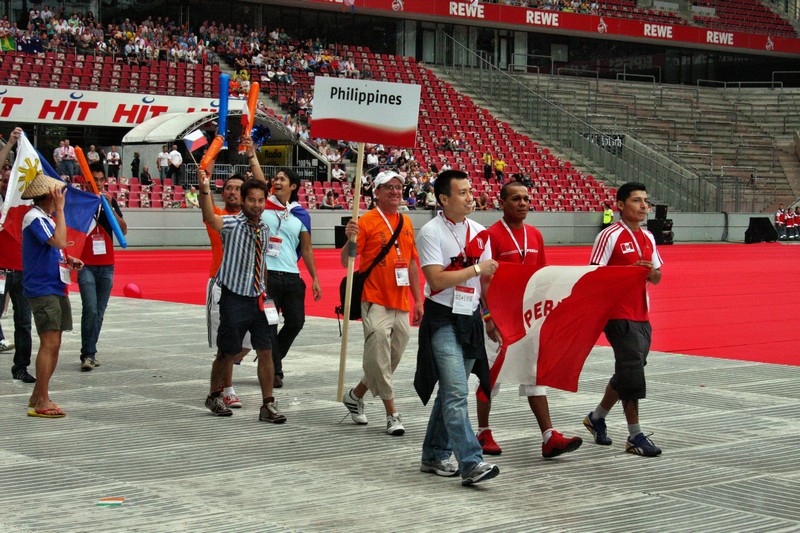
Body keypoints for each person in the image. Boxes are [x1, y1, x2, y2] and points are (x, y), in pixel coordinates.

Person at [476, 182, 583, 458]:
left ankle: (549, 437)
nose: (523, 203)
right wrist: (488, 317)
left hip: (526, 317)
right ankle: (483, 432)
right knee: (491, 377)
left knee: (535, 374)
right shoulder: (491, 236)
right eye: (516, 199)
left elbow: (542, 276)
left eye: (526, 198)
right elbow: (483, 280)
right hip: (498, 318)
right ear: (502, 203)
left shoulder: (535, 235)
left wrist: (545, 312)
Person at [414, 169, 501, 486]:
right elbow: (436, 279)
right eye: (462, 193)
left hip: (470, 318)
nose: (469, 197)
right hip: (442, 318)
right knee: (456, 392)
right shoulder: (430, 232)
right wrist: (476, 268)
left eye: (470, 191)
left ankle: (434, 454)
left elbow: (486, 283)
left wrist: (490, 316)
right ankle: (471, 462)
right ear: (443, 198)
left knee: (451, 392)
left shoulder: (479, 232)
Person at [583, 182, 664, 457]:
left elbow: (657, 276)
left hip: (642, 312)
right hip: (617, 313)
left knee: (630, 370)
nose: (644, 206)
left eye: (646, 201)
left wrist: (650, 273)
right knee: (632, 372)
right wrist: (628, 271)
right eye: (637, 200)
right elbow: (594, 275)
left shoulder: (648, 237)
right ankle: (634, 435)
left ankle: (597, 417)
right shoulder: (609, 235)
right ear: (620, 205)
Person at [340, 170, 423, 436]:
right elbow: (346, 260)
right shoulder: (365, 221)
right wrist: (349, 239)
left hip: (401, 301)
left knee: (390, 358)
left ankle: (355, 395)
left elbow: (411, 262)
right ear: (377, 192)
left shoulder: (406, 221)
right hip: (374, 299)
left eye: (399, 187)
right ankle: (392, 413)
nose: (396, 192)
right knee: (379, 356)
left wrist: (418, 300)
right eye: (389, 187)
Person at [199, 172, 285, 422]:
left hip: (259, 298)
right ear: (243, 200)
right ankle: (214, 395)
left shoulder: (265, 229)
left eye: (260, 201)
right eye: (251, 200)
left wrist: (266, 294)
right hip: (234, 298)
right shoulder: (230, 224)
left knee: (266, 350)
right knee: (227, 351)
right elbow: (209, 217)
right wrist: (205, 189)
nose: (256, 205)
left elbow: (263, 263)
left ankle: (268, 404)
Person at [22, 173, 85, 417]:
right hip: (42, 287)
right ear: (50, 196)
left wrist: (68, 259)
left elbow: (56, 248)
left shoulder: (45, 218)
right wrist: (60, 209)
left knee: (55, 343)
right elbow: (59, 241)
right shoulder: (34, 217)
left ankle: (38, 394)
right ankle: (42, 400)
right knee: (49, 343)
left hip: (54, 285)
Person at [259, 167, 321, 388]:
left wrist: (315, 278)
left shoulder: (300, 215)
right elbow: (258, 178)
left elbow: (307, 248)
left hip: (293, 276)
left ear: (293, 186)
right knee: (270, 323)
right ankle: (275, 371)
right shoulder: (263, 207)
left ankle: (270, 358)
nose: (277, 181)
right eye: (275, 178)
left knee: (296, 322)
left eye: (282, 179)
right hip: (267, 276)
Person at [77, 162, 127, 371]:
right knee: (90, 308)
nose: (97, 184)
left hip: (107, 264)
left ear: (105, 181)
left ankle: (90, 351)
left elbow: (123, 229)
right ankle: (88, 354)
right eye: (93, 180)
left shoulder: (110, 201)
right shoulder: (79, 201)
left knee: (99, 311)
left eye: (100, 180)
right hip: (85, 264)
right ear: (85, 181)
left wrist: (110, 208)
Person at [0, 128, 34, 383]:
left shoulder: (24, 203)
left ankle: (21, 367)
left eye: (9, 180)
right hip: (0, 271)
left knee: (23, 323)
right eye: (3, 180)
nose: (6, 184)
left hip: (22, 271)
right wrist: (10, 143)